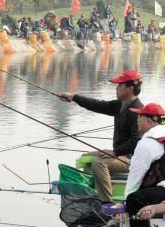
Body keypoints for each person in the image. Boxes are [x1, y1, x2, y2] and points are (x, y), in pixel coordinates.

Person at [58, 71, 143, 203]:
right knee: (87, 158)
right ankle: (91, 195)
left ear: (130, 88)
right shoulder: (120, 105)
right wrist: (74, 97)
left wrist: (115, 152)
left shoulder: (137, 111)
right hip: (120, 155)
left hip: (131, 158)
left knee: (99, 162)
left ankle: (106, 203)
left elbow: (137, 141)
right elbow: (97, 105)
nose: (116, 88)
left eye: (119, 85)